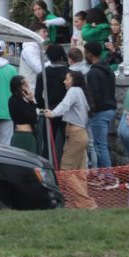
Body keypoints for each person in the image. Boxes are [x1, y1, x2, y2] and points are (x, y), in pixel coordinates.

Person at [42, 70, 95, 208]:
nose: (64, 82)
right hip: (80, 134)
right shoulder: (82, 92)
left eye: (67, 79)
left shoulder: (74, 91)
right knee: (79, 172)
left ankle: (87, 203)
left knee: (66, 171)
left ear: (74, 80)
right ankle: (81, 204)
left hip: (75, 135)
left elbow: (64, 105)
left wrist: (52, 113)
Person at [82, 41, 116, 171]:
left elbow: (94, 95)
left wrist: (90, 111)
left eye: (86, 52)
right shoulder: (108, 70)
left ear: (90, 54)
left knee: (100, 146)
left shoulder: (93, 73)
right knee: (102, 145)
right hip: (110, 109)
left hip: (100, 112)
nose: (85, 55)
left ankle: (109, 177)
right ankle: (105, 175)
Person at [8, 76, 39, 153]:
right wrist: (31, 101)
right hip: (25, 135)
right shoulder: (19, 101)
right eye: (26, 86)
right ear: (19, 87)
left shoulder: (12, 100)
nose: (28, 88)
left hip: (19, 134)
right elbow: (33, 118)